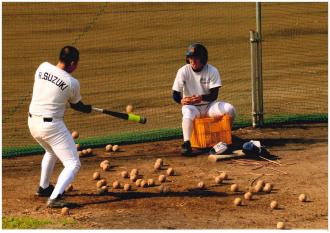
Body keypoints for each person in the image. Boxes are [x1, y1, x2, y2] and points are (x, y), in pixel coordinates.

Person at [28, 46, 92, 208]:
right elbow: (76, 105)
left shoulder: (42, 67)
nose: (76, 66)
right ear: (71, 63)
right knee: (73, 164)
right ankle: (55, 198)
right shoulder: (72, 82)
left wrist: (81, 106)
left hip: (32, 122)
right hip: (51, 127)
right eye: (76, 63)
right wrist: (86, 108)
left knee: (51, 151)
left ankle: (44, 188)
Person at [172, 43, 236, 156]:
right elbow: (175, 94)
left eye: (196, 58)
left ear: (203, 59)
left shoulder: (212, 70)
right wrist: (181, 101)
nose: (193, 61)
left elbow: (214, 95)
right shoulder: (183, 71)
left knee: (230, 109)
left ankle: (226, 137)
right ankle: (187, 144)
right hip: (192, 107)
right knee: (187, 112)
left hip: (209, 106)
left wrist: (201, 98)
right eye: (190, 58)